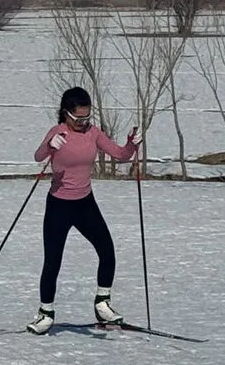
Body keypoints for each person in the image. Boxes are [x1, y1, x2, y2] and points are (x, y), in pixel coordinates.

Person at [27, 87, 141, 335]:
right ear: (66, 113)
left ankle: (102, 303)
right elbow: (38, 156)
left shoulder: (93, 133)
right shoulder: (58, 132)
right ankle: (45, 313)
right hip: (59, 205)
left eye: (87, 117)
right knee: (53, 261)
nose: (83, 122)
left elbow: (120, 155)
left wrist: (132, 145)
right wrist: (50, 146)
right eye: (78, 118)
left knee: (107, 250)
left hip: (85, 203)